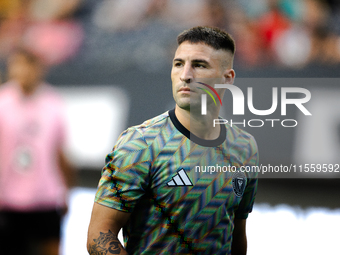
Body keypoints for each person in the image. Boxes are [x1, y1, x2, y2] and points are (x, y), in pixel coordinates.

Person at [87, 26, 258, 255]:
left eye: (199, 65)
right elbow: (99, 235)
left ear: (227, 78)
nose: (185, 75)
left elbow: (236, 235)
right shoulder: (140, 144)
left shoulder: (244, 147)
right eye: (178, 64)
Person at [0, 48, 74, 255]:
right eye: (17, 65)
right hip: (8, 201)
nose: (22, 71)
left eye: (27, 65)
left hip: (46, 198)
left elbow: (59, 152)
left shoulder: (53, 103)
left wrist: (66, 191)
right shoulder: (2, 102)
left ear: (39, 68)